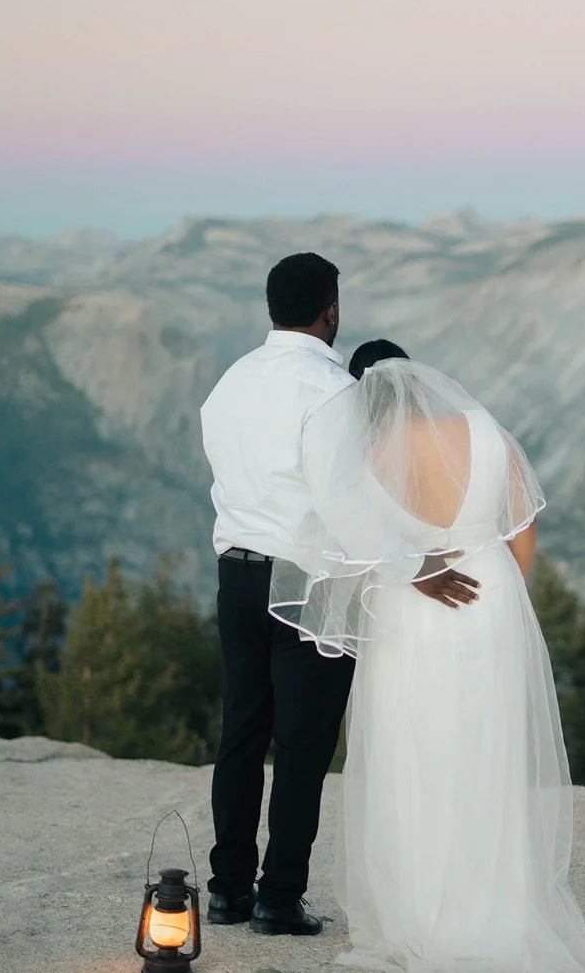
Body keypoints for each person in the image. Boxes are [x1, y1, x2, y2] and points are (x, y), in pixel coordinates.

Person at [267, 338, 585, 972]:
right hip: (490, 603)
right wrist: (501, 602)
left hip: (411, 617)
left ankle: (423, 918)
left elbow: (344, 556)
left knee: (415, 759)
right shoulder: (486, 432)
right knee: (489, 757)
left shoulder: (366, 457)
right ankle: (499, 911)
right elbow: (523, 531)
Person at [198, 254, 479, 936]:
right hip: (306, 585)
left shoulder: (229, 381)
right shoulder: (331, 390)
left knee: (242, 733)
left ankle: (228, 887)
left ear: (271, 306)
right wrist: (416, 565)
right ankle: (277, 896)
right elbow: (347, 500)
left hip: (236, 574)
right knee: (300, 743)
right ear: (330, 310)